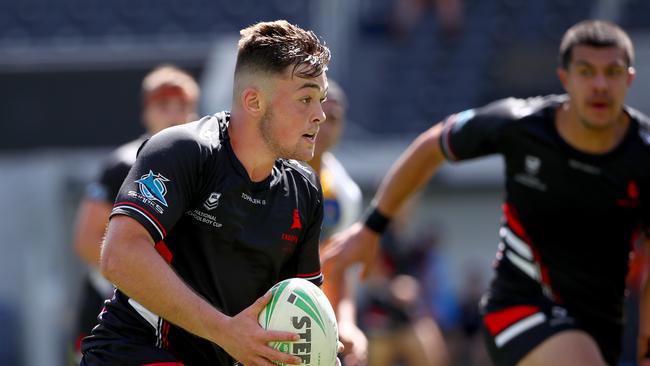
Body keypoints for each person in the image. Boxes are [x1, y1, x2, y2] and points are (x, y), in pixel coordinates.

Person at [323, 20, 650, 366]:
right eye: (586, 71)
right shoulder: (521, 124)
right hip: (521, 306)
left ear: (629, 78)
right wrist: (372, 227)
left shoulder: (643, 154)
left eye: (611, 72)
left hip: (605, 320)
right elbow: (433, 144)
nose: (600, 85)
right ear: (564, 77)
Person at [80, 20, 333, 365]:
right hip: (138, 353)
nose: (319, 115)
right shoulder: (182, 150)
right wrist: (226, 331)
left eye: (321, 99)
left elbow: (301, 301)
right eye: (305, 98)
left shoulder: (304, 189)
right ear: (254, 101)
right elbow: (119, 256)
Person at [71, 64, 199, 360]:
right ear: (146, 112)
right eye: (163, 105)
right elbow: (86, 238)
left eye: (183, 105)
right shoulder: (125, 163)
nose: (174, 114)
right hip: (114, 311)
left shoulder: (201, 167)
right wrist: (137, 277)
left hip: (173, 314)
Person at [307, 79, 368, 365]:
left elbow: (339, 266)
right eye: (320, 114)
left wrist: (345, 322)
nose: (325, 126)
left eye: (335, 119)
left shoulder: (344, 193)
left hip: (310, 311)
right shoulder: (267, 171)